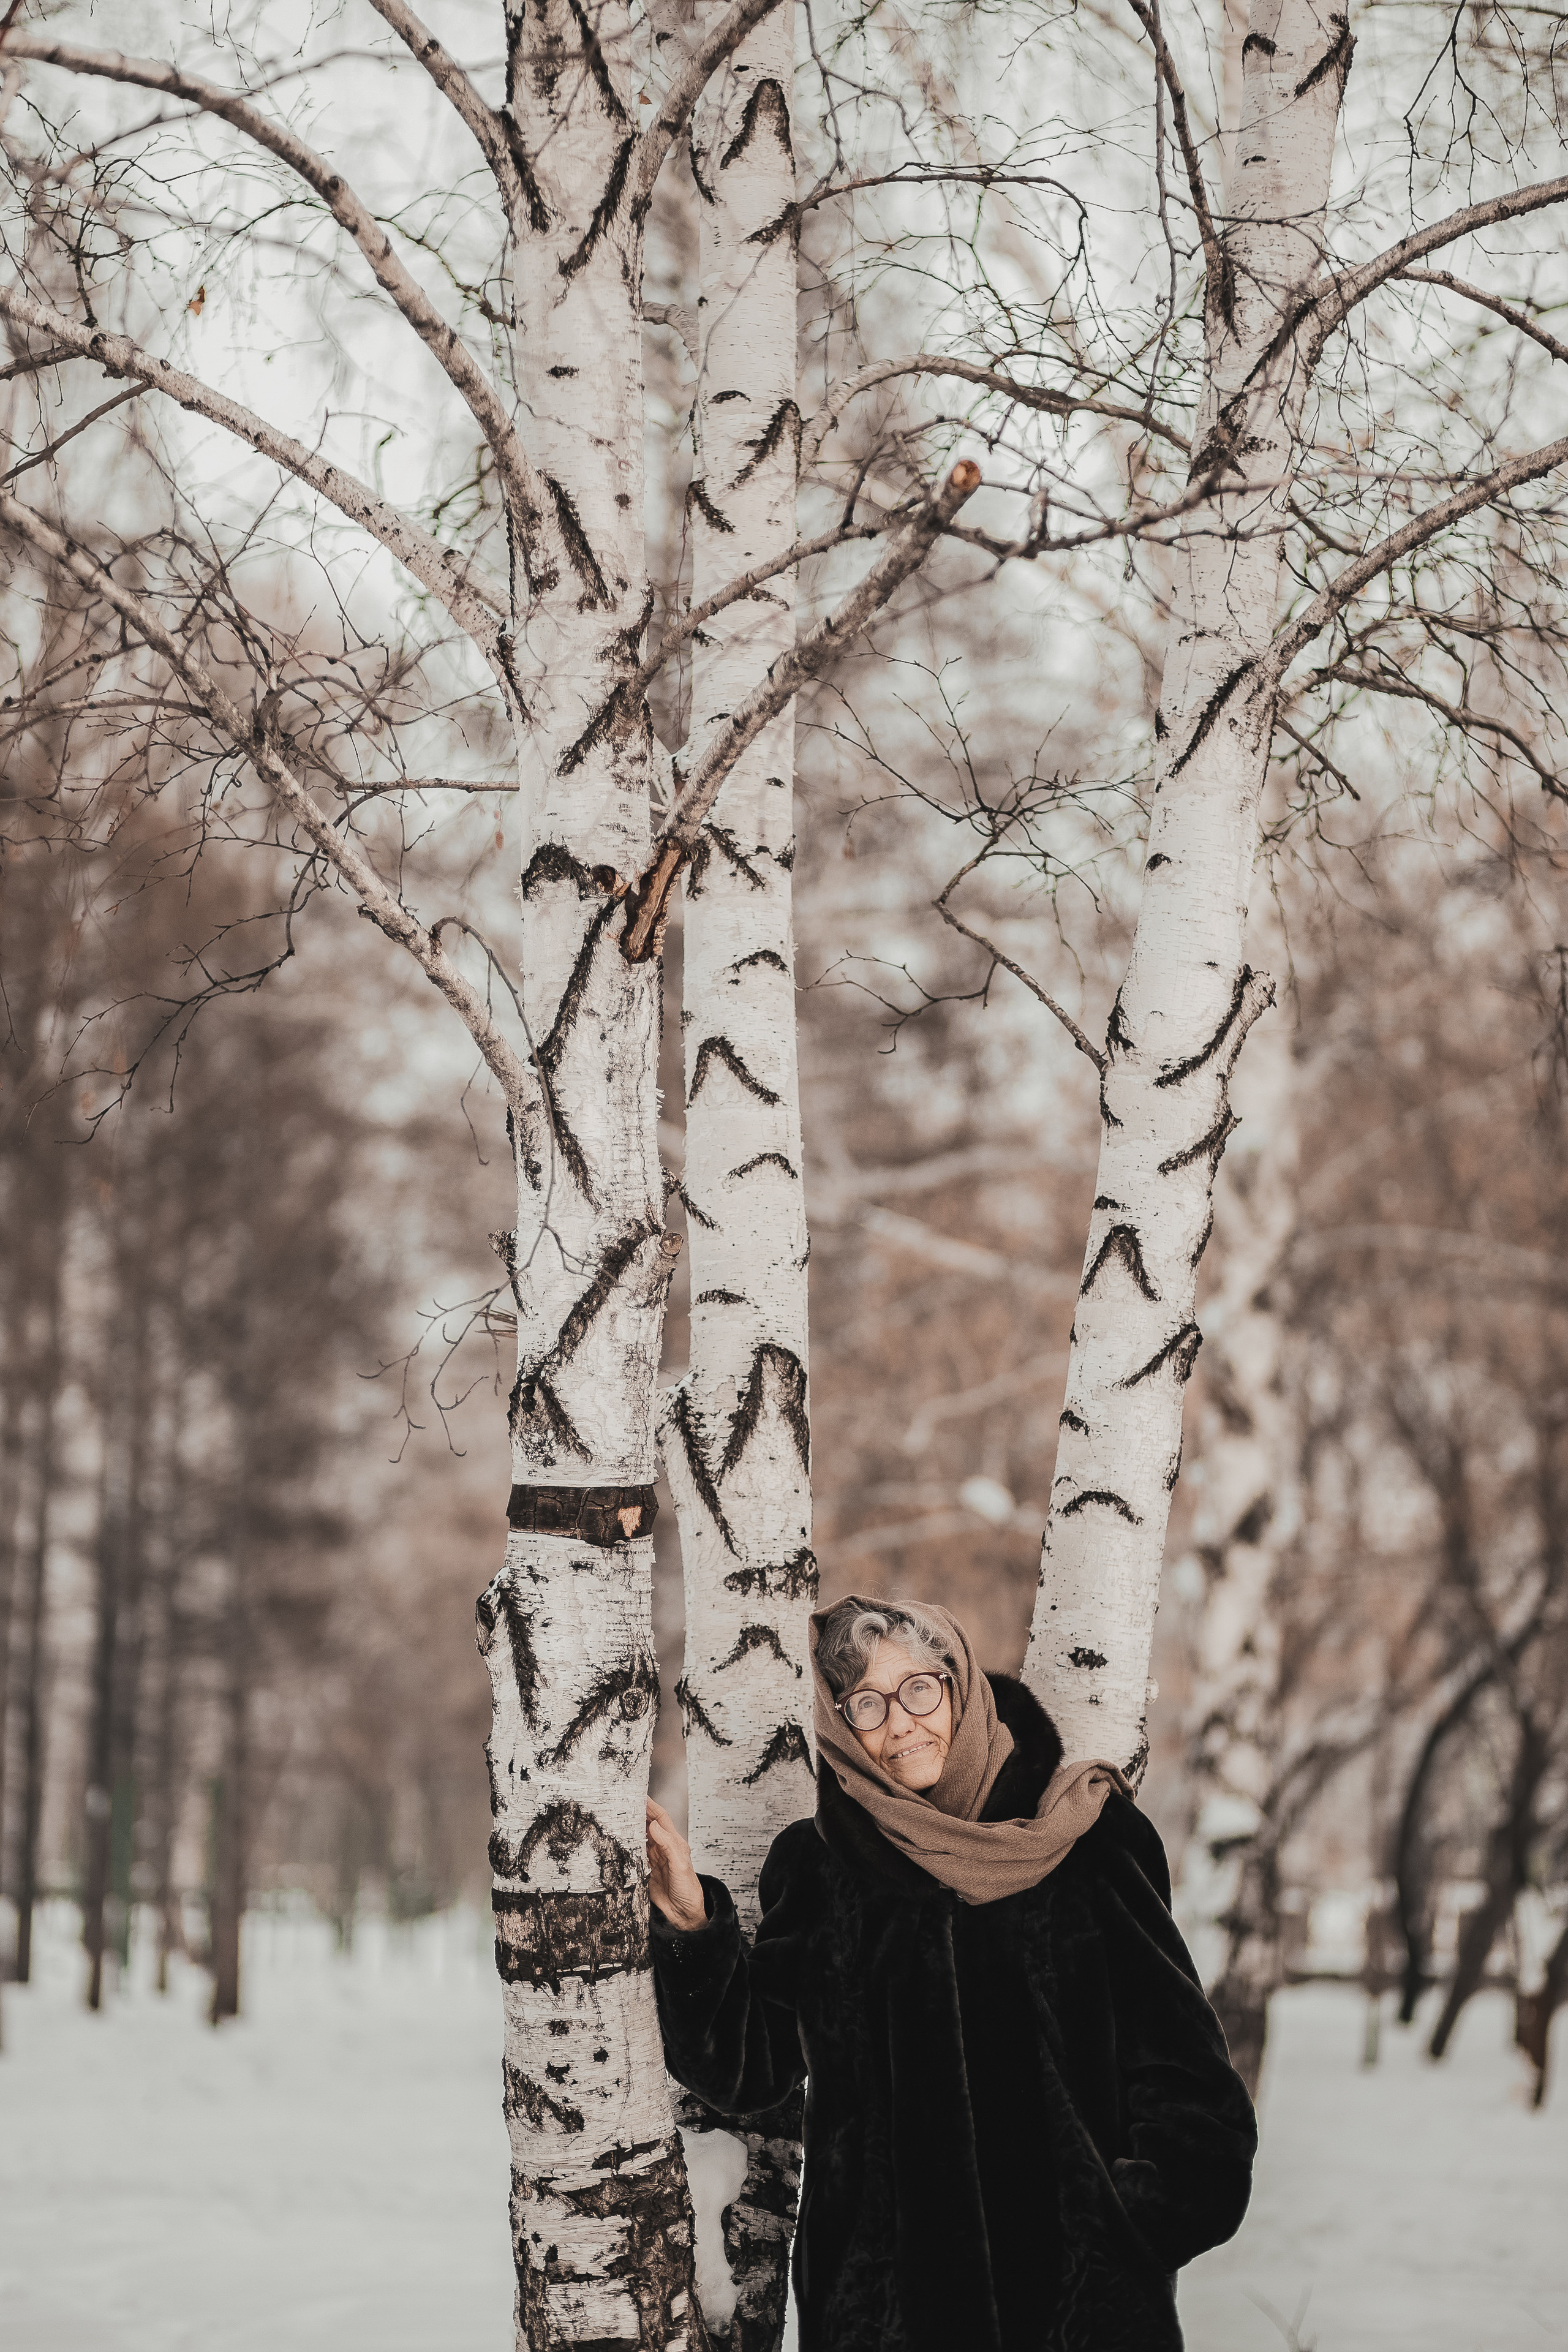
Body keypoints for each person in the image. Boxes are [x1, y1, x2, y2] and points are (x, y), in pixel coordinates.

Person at [645, 1596, 1256, 2352]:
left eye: (919, 1690)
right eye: (865, 1705)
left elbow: (1192, 2089)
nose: (899, 1724)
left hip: (1076, 2319)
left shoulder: (1089, 1844)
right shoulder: (822, 1868)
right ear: (842, 1727)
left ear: (961, 1685)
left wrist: (1120, 2234)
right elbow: (745, 2066)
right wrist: (691, 1928)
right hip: (884, 2322)